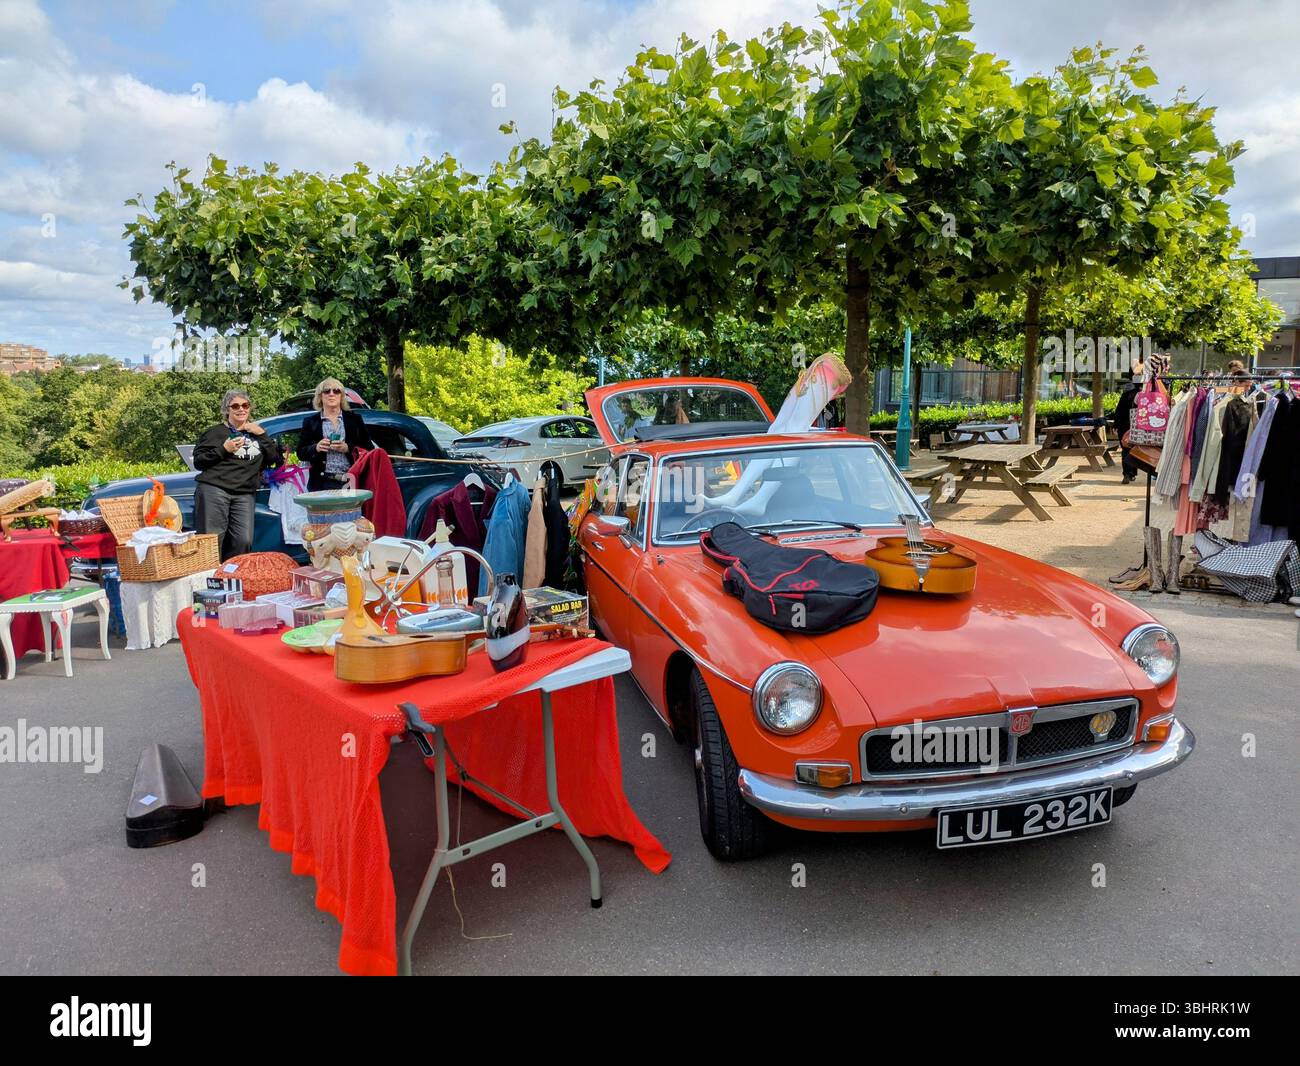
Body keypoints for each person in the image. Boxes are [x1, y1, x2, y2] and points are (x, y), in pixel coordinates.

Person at [193, 389, 283, 559]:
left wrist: (262, 435)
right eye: (235, 406)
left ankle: (232, 576)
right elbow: (199, 461)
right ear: (227, 409)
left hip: (244, 493)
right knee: (212, 540)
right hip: (215, 489)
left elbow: (276, 460)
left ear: (250, 408)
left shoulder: (257, 433)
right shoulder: (215, 432)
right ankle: (211, 580)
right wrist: (223, 450)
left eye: (245, 405)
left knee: (244, 540)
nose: (241, 409)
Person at [298, 378, 375, 491]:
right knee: (326, 510)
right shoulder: (311, 422)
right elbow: (300, 452)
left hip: (352, 480)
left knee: (351, 509)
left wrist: (348, 448)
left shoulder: (355, 420)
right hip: (322, 483)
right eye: (327, 391)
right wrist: (316, 448)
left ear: (342, 396)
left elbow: (369, 450)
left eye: (336, 391)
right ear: (320, 396)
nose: (331, 394)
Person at [1113, 361, 1143, 484]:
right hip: (1139, 425)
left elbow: (1119, 410)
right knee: (1135, 449)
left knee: (1125, 449)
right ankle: (1132, 473)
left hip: (1124, 425)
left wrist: (1115, 424)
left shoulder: (1127, 391)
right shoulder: (1144, 393)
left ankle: (1127, 473)